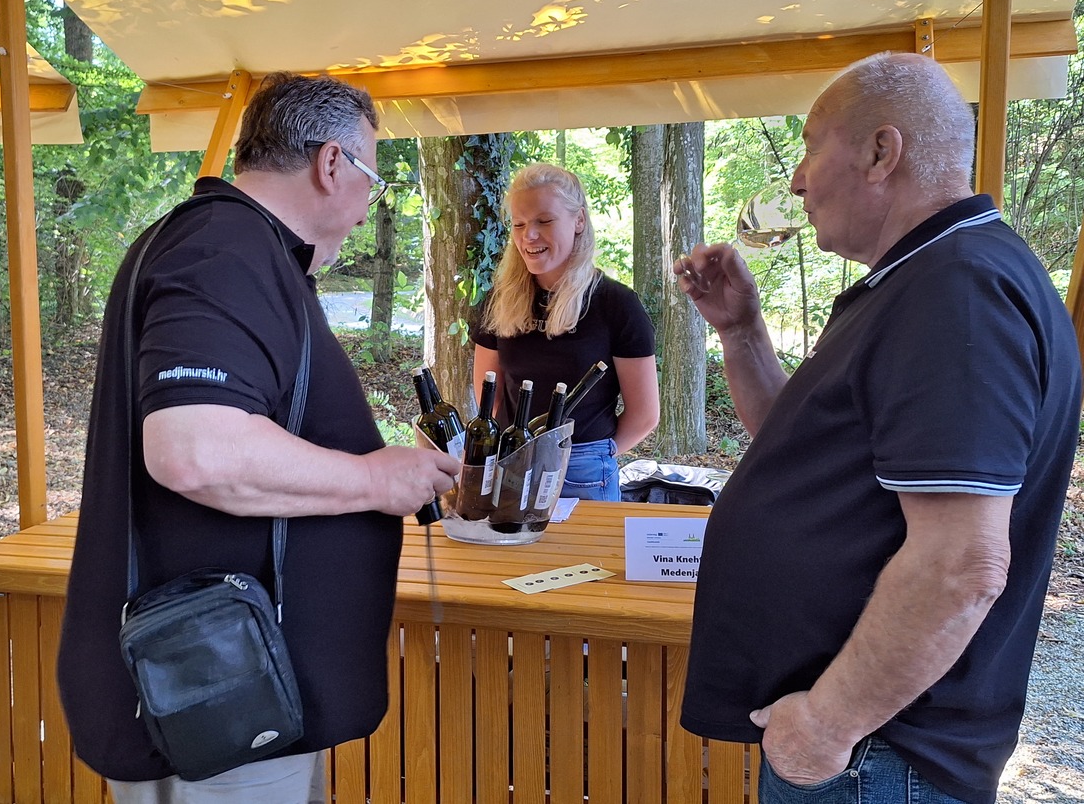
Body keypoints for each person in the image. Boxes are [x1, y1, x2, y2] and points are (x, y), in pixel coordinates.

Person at [673, 52, 1081, 804]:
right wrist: (741, 332)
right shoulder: (923, 278)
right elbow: (800, 458)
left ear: (880, 152)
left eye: (811, 147)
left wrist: (826, 725)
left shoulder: (957, 289)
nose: (798, 180)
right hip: (868, 751)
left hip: (878, 755)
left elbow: (962, 563)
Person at [57, 72, 461, 803]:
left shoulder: (236, 249)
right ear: (331, 163)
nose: (366, 210)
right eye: (371, 181)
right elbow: (196, 450)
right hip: (216, 699)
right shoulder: (225, 251)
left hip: (225, 689)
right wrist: (376, 479)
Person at [470, 162, 659, 501]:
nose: (529, 235)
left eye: (544, 221)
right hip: (510, 461)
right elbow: (489, 394)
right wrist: (511, 450)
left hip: (583, 467)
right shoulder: (498, 301)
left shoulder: (617, 304)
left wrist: (596, 455)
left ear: (579, 221)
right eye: (519, 224)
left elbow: (645, 414)